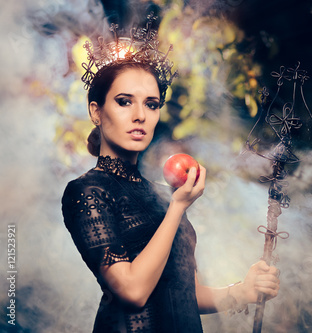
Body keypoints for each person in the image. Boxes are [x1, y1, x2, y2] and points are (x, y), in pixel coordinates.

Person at [61, 20, 279, 333]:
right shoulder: (87, 191)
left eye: (151, 104)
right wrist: (177, 208)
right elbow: (132, 292)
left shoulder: (164, 194)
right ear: (96, 111)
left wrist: (241, 291)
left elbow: (184, 294)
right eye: (124, 102)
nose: (140, 115)